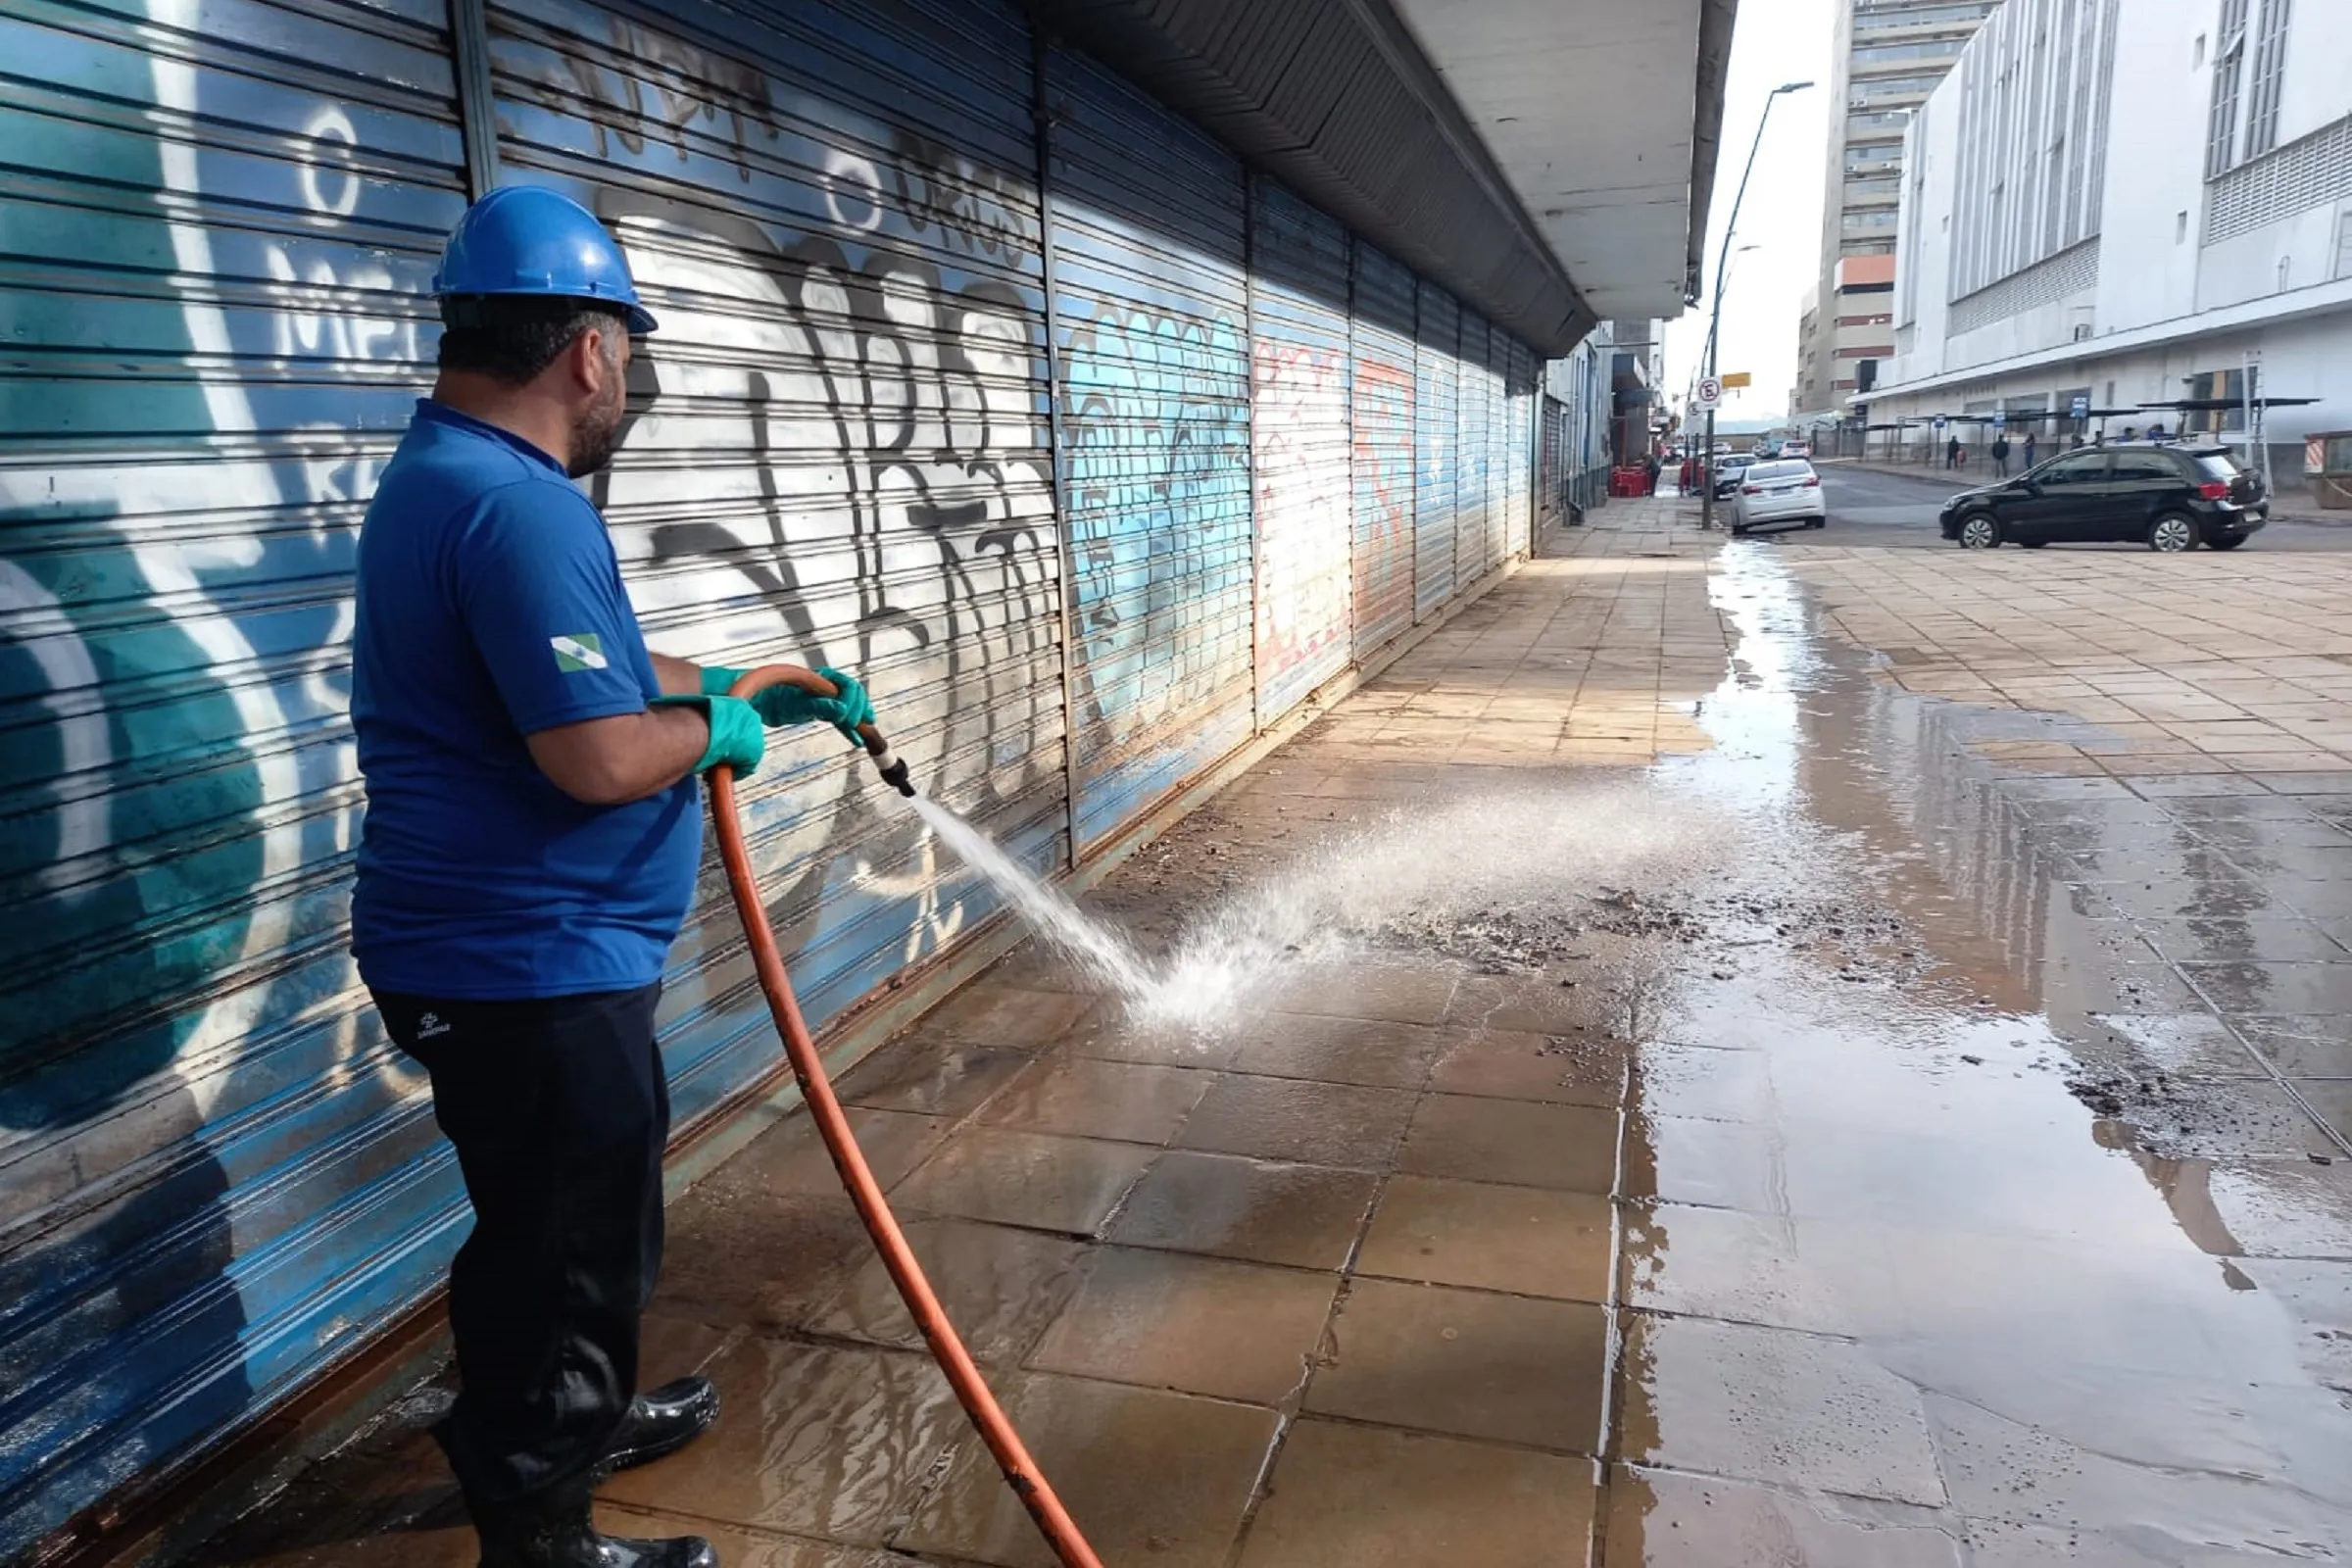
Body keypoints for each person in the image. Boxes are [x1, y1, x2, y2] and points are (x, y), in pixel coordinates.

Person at [350, 187, 877, 1568]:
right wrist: (721, 731)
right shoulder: (518, 510)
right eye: (628, 359)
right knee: (572, 1252)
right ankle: (542, 1524)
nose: (626, 388)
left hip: (505, 955)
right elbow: (593, 754)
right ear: (587, 350)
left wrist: (772, 685)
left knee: (550, 1232)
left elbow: (599, 677)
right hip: (523, 963)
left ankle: (565, 1412)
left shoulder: (452, 477)